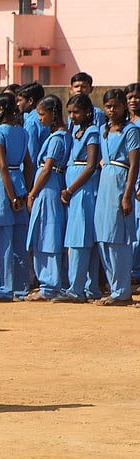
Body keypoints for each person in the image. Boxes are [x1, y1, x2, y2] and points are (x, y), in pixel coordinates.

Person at [0, 94, 33, 302]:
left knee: (2, 239)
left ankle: (3, 288)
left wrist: (11, 196)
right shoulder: (22, 132)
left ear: (1, 109)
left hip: (2, 185)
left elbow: (2, 165)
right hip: (18, 180)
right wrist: (25, 191)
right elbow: (28, 164)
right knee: (19, 240)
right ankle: (21, 288)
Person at [93, 89, 139, 305]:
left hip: (120, 181)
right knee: (103, 236)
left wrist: (127, 195)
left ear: (123, 107)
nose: (112, 110)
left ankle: (122, 292)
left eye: (116, 106)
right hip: (105, 182)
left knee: (118, 237)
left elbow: (134, 165)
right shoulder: (104, 130)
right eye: (108, 106)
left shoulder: (130, 131)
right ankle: (114, 288)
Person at [25, 96, 70, 301]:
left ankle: (49, 284)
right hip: (51, 185)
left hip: (48, 188)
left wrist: (33, 192)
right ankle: (51, 281)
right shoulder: (61, 136)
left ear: (53, 113)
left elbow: (46, 168)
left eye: (42, 115)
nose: (40, 119)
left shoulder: (57, 138)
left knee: (47, 233)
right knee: (47, 232)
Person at [60, 94, 101, 302]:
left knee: (79, 238)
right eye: (70, 112)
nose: (72, 116)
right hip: (76, 190)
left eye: (76, 112)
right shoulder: (75, 131)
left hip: (83, 190)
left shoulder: (92, 132)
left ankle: (76, 288)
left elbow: (91, 165)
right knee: (81, 238)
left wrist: (70, 189)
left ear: (87, 112)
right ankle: (88, 287)